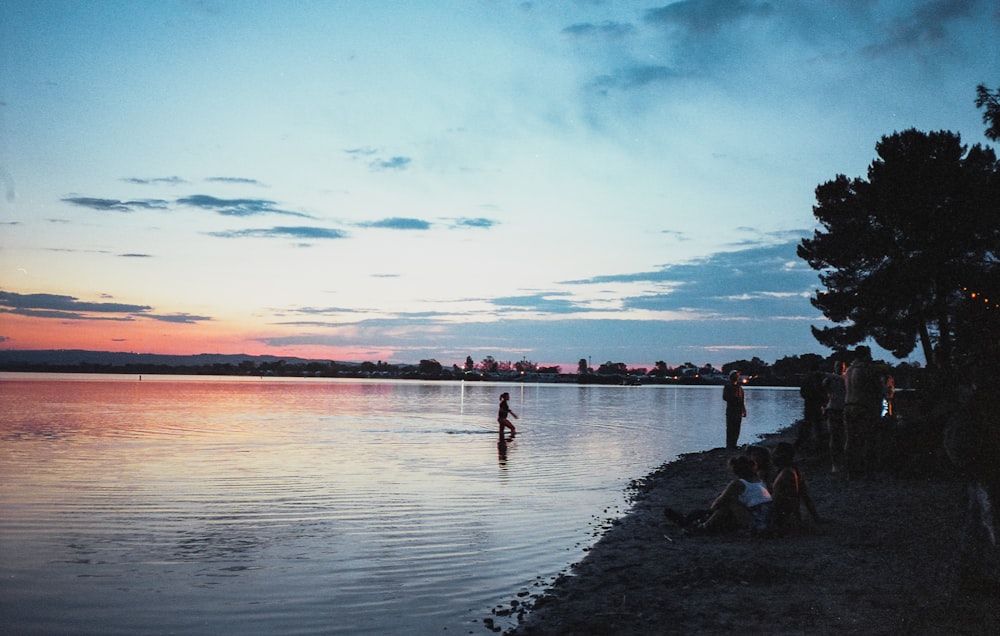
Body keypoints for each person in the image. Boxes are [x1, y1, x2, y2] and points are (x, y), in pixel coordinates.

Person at [664, 455, 772, 535]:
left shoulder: (738, 484)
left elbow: (719, 502)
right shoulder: (760, 481)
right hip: (766, 519)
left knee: (727, 503)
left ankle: (702, 527)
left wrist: (711, 511)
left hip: (757, 522)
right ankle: (697, 522)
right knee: (726, 509)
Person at [843, 346, 885, 478]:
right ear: (865, 355)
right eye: (869, 355)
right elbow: (876, 389)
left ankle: (850, 468)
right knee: (866, 438)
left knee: (850, 440)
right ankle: (866, 468)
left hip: (848, 406)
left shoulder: (849, 370)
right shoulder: (867, 370)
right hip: (862, 407)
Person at [770, 442, 822, 534]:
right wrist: (816, 517)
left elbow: (793, 498)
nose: (772, 457)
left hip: (780, 513)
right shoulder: (792, 470)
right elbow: (805, 497)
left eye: (775, 454)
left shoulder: (787, 474)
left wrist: (798, 521)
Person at [824, 360, 848, 473]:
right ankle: (835, 463)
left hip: (843, 409)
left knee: (843, 436)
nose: (840, 368)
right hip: (833, 409)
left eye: (841, 367)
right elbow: (824, 388)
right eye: (838, 366)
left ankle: (843, 461)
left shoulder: (846, 378)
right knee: (834, 436)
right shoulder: (829, 379)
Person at [722, 370, 747, 449]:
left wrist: (744, 410)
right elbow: (725, 397)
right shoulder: (728, 386)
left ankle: (734, 444)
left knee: (737, 428)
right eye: (735, 375)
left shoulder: (740, 388)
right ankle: (729, 445)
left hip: (738, 411)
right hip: (731, 411)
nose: (736, 377)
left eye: (737, 375)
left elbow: (742, 400)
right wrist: (734, 399)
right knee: (730, 428)